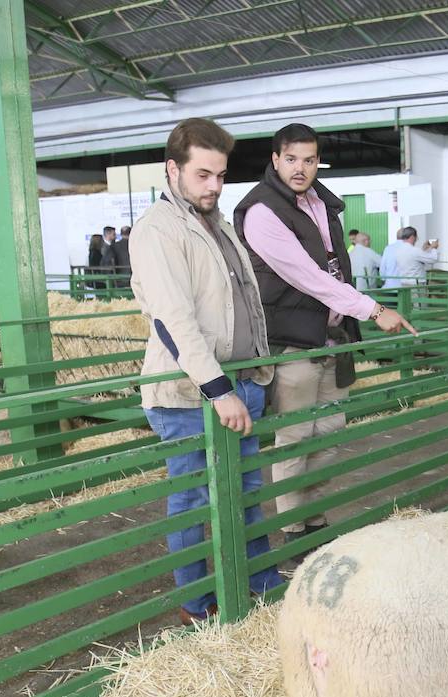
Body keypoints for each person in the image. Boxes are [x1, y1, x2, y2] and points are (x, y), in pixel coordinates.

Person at [235, 122, 416, 550]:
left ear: (319, 161)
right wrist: (373, 308)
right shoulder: (262, 211)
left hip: (333, 337)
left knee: (329, 435)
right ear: (275, 159)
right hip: (293, 341)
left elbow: (335, 268)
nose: (301, 168)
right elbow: (308, 276)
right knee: (295, 439)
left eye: (310, 159)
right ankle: (294, 533)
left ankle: (315, 521)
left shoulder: (321, 205)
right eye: (292, 159)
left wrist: (352, 317)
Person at [131, 117, 284, 623]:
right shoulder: (157, 230)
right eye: (203, 175)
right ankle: (198, 606)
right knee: (195, 497)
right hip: (188, 393)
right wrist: (219, 391)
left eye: (220, 175)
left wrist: (258, 375)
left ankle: (260, 583)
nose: (214, 186)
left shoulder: (217, 224)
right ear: (171, 169)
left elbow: (242, 302)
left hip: (241, 381)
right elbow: (172, 320)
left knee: (245, 490)